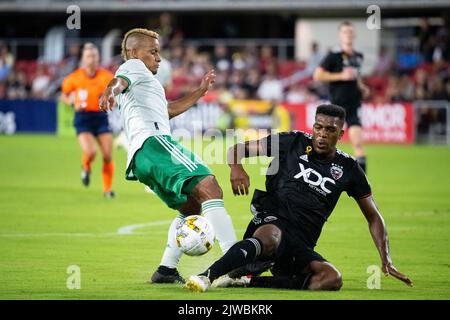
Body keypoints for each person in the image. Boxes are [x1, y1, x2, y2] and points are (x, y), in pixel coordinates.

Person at [185, 104, 413, 292]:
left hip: (301, 240)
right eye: (318, 127)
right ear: (313, 127)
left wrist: (386, 258)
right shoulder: (292, 142)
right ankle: (207, 276)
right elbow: (237, 149)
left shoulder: (349, 168)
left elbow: (373, 216)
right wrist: (236, 169)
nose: (322, 134)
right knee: (272, 237)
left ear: (341, 134)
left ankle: (248, 281)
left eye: (330, 130)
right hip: (272, 218)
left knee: (332, 278)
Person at [99, 28, 237, 284]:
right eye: (153, 51)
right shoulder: (133, 67)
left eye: (158, 51)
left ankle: (166, 269)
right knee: (210, 188)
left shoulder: (145, 83)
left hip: (142, 158)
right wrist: (110, 90)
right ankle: (236, 263)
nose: (158, 58)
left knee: (192, 206)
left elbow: (168, 111)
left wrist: (199, 91)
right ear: (133, 52)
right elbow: (119, 82)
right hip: (155, 144)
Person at [313, 21, 370, 172]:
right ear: (340, 35)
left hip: (354, 105)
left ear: (355, 34)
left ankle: (362, 184)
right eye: (345, 32)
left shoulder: (358, 56)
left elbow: (356, 76)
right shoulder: (333, 55)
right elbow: (318, 75)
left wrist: (362, 87)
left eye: (351, 32)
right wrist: (340, 75)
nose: (348, 35)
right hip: (336, 107)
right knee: (326, 144)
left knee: (357, 143)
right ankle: (317, 173)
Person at [61, 43, 115, 198]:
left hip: (100, 117)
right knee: (91, 152)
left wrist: (112, 101)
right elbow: (64, 95)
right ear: (83, 59)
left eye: (95, 55)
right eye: (89, 56)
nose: (92, 58)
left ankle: (107, 190)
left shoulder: (106, 76)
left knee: (107, 154)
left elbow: (115, 95)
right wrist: (72, 103)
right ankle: (86, 167)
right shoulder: (74, 78)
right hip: (83, 118)